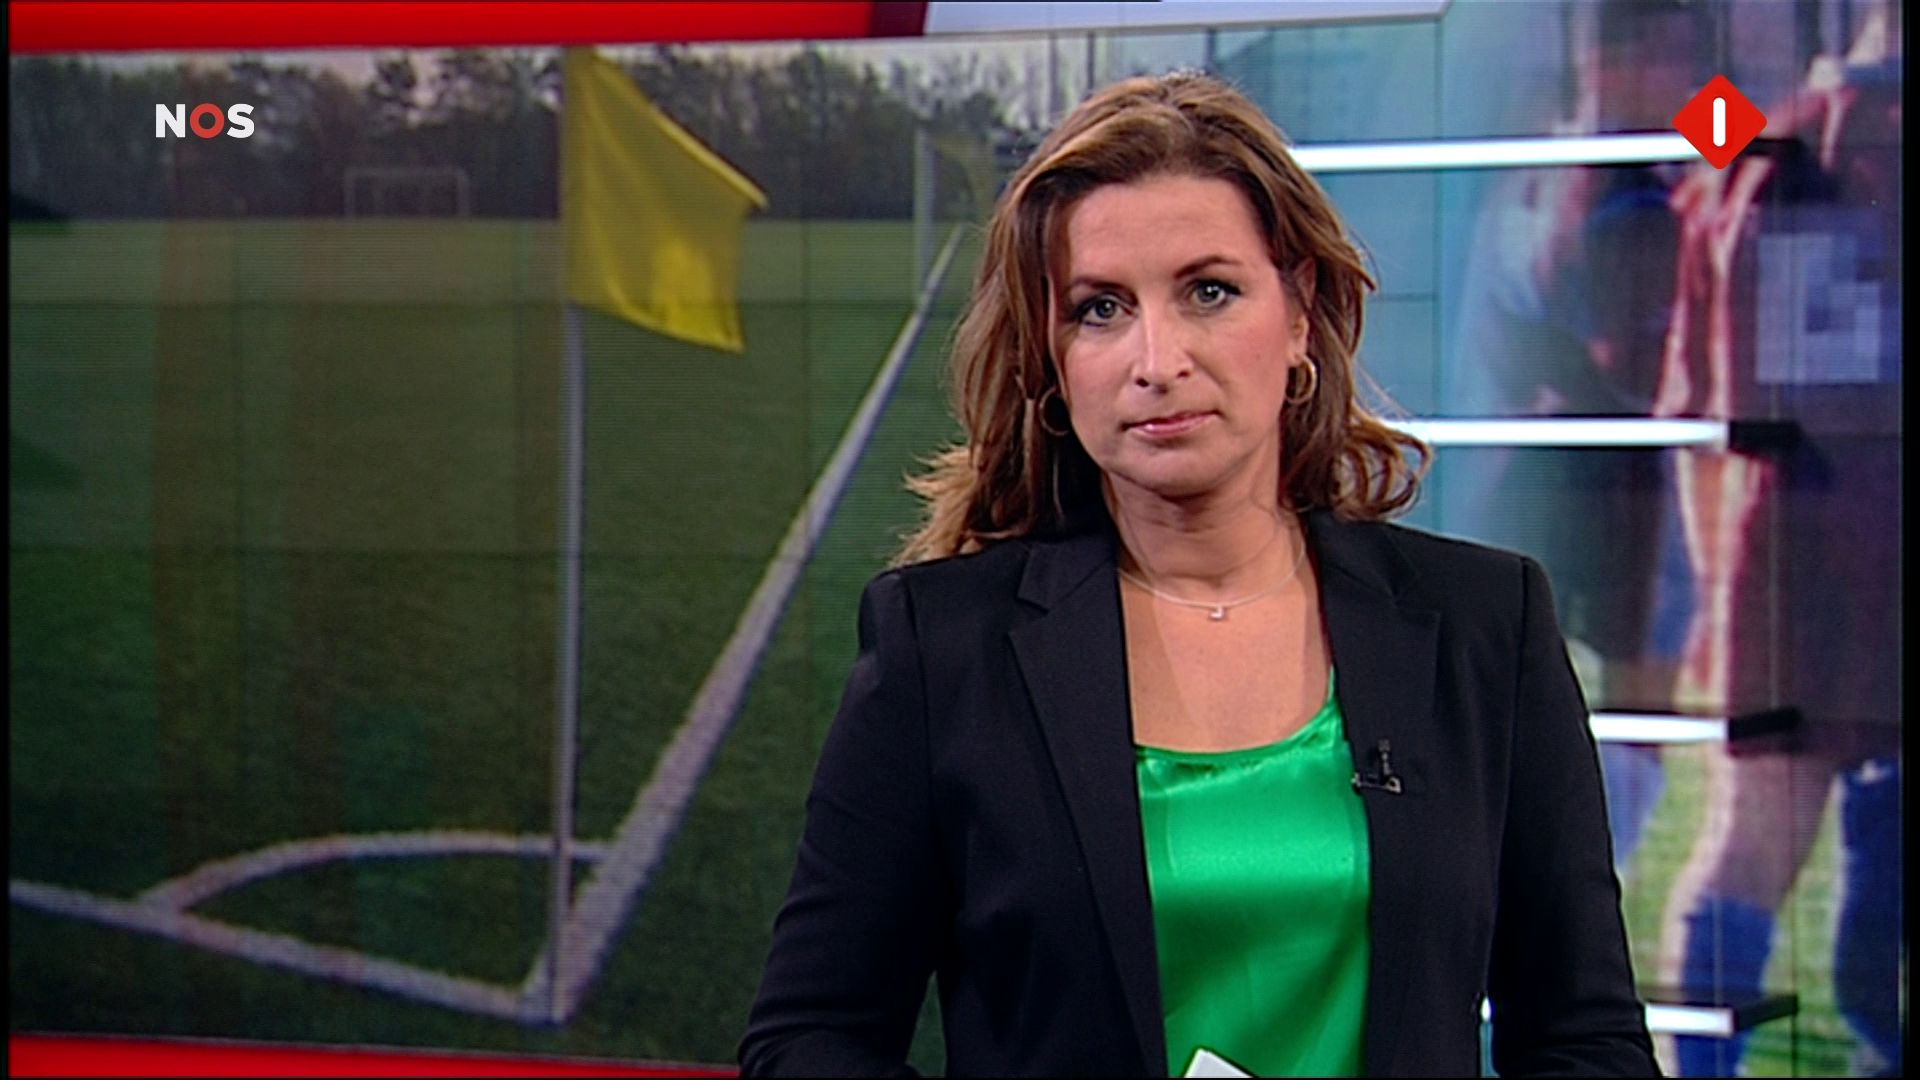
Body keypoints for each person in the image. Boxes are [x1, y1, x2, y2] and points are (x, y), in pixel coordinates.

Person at [740, 71, 1658, 1078]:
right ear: (1053, 360)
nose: (1157, 359)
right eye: (1100, 309)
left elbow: (1586, 1040)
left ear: (1300, 314)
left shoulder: (1485, 625)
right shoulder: (943, 648)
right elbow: (809, 1040)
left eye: (1208, 292)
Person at [1653, 7, 1904, 1074]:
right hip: (1854, 533)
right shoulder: (1751, 146)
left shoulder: (1745, 153)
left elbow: (1690, 418)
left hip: (1780, 547)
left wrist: (1719, 587)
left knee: (1750, 841)